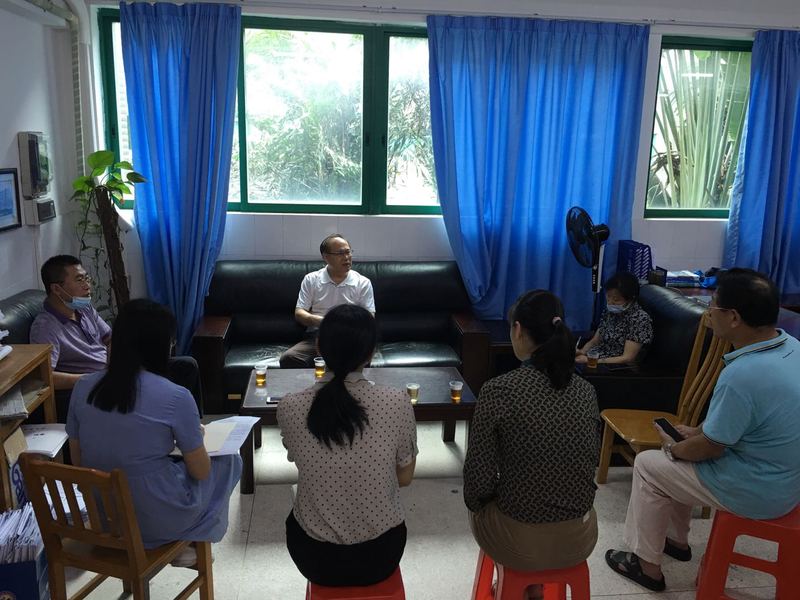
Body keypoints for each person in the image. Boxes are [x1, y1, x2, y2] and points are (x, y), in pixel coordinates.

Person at [605, 268, 800, 592]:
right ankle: (676, 541)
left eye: (713, 306)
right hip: (787, 485)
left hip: (756, 490)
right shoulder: (791, 347)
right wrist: (695, 433)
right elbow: (750, 422)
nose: (708, 313)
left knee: (650, 465)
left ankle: (646, 566)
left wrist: (674, 447)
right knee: (680, 458)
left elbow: (711, 448)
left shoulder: (742, 374)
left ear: (733, 317)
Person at [66, 299, 242, 566]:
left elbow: (78, 460)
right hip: (155, 519)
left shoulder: (83, 387)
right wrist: (193, 438)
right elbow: (201, 472)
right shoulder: (175, 396)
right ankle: (190, 537)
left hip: (105, 518)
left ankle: (179, 543)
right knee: (228, 461)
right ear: (161, 345)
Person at [464, 290, 600, 600]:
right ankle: (534, 589)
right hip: (579, 539)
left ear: (517, 329)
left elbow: (477, 482)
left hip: (519, 543)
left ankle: (522, 586)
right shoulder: (586, 391)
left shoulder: (499, 390)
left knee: (479, 506)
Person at [277, 304, 417, 586]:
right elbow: (404, 478)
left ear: (318, 347)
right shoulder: (397, 402)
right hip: (382, 554)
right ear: (370, 353)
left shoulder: (290, 406)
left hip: (314, 557)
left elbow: (301, 462)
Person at [29, 255, 203, 419]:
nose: (87, 286)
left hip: (116, 371)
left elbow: (111, 338)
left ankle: (192, 424)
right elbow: (45, 377)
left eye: (86, 278)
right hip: (95, 383)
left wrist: (123, 363)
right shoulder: (45, 328)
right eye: (79, 280)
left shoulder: (84, 308)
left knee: (186, 366)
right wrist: (92, 378)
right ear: (56, 288)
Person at [279, 234, 375, 368]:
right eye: (340, 253)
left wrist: (345, 326)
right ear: (326, 257)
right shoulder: (311, 279)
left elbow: (369, 316)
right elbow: (299, 313)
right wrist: (324, 322)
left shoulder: (362, 282)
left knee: (360, 358)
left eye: (348, 252)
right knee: (289, 358)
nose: (346, 257)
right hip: (318, 335)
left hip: (350, 337)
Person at [577, 271, 653, 365]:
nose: (610, 302)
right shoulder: (609, 311)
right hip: (595, 357)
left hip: (614, 366)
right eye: (608, 297)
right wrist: (582, 352)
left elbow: (627, 358)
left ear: (631, 299)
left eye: (616, 299)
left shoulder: (640, 319)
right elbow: (595, 341)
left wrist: (591, 361)